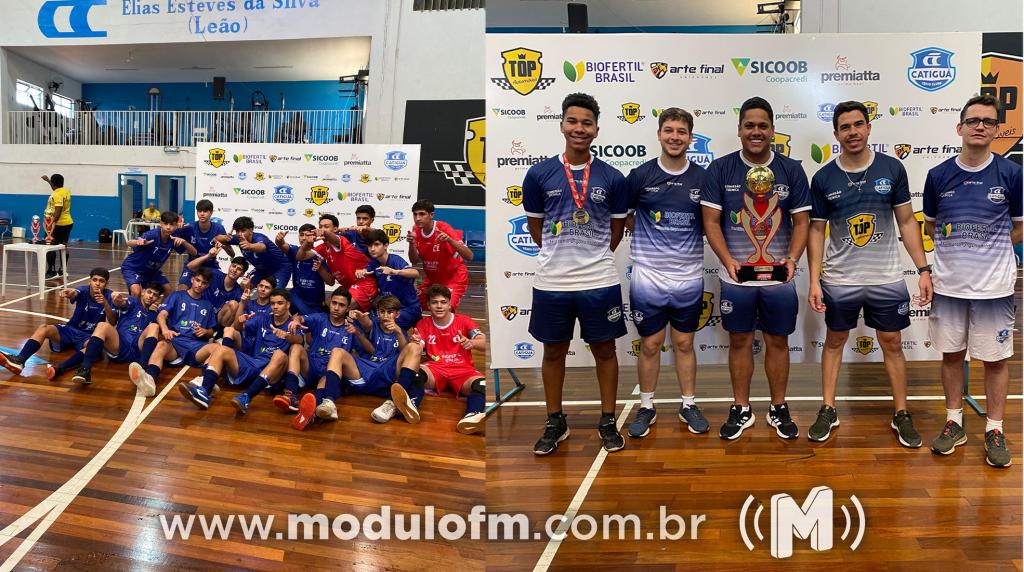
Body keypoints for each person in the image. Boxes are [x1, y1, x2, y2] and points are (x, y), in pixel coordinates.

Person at [806, 100, 932, 447]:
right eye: (845, 127)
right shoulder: (823, 177)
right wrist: (814, 280)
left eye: (858, 124)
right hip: (839, 279)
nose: (853, 132)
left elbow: (907, 221)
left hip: (886, 277)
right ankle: (828, 408)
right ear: (836, 134)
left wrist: (922, 268)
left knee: (892, 343)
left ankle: (901, 413)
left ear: (869, 127)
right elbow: (816, 231)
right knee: (834, 341)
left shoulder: (892, 169)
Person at [522, 92, 629, 455]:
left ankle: (608, 420)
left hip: (599, 280)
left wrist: (592, 256)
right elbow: (536, 230)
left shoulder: (612, 177)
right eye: (573, 121)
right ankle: (555, 421)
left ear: (597, 130)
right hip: (552, 281)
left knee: (605, 350)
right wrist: (561, 254)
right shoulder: (539, 174)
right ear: (562, 125)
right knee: (553, 352)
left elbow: (615, 234)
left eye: (586, 123)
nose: (579, 128)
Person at [700, 96, 810, 441]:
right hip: (736, 277)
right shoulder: (720, 169)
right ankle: (742, 408)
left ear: (773, 130)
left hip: (779, 277)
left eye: (763, 125)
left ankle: (778, 407)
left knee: (778, 341)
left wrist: (791, 258)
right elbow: (711, 221)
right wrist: (727, 260)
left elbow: (802, 221)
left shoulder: (791, 170)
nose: (756, 131)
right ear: (739, 130)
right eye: (750, 125)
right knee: (740, 340)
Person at [923, 94, 1022, 468]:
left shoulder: (1012, 174)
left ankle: (995, 428)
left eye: (989, 121)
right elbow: (931, 226)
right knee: (951, 355)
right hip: (948, 286)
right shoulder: (938, 175)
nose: (981, 126)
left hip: (994, 289)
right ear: (960, 127)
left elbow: (1018, 228)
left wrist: (987, 247)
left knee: (995, 361)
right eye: (974, 120)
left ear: (996, 130)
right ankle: (954, 423)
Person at [622, 107, 710, 439]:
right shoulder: (641, 175)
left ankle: (688, 404)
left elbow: (711, 222)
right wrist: (647, 232)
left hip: (688, 277)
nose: (675, 137)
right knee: (650, 343)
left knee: (685, 343)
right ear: (659, 134)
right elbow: (624, 217)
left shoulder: (703, 178)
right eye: (669, 130)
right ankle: (646, 406)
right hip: (648, 277)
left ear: (690, 137)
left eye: (682, 132)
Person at [291, 295, 419, 431]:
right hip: (364, 370)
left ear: (397, 314)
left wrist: (398, 331)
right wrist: (359, 318)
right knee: (337, 351)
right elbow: (366, 324)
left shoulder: (402, 331)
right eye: (382, 311)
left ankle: (392, 403)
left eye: (390, 312)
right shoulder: (372, 324)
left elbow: (405, 353)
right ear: (377, 312)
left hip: (387, 372)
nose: (386, 315)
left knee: (414, 348)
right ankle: (329, 402)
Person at [387, 284, 487, 435]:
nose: (439, 306)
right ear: (428, 305)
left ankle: (472, 416)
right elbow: (417, 349)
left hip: (462, 369)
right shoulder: (423, 324)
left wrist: (471, 342)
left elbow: (484, 342)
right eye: (434, 302)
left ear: (449, 303)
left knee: (482, 384)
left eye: (443, 302)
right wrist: (416, 342)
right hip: (435, 368)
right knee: (416, 373)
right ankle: (411, 404)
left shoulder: (465, 321)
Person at [179, 288, 300, 412]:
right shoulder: (263, 318)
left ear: (288, 304)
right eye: (273, 303)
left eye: (280, 303)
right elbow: (237, 328)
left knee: (279, 354)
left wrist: (286, 335)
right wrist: (240, 321)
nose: (275, 306)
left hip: (274, 371)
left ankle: (246, 397)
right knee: (221, 349)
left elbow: (299, 341)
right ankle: (205, 391)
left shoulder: (293, 324)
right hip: (253, 363)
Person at [0, 268, 112, 378]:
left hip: (89, 337)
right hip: (71, 330)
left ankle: (61, 368)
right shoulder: (83, 290)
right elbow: (75, 293)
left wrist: (105, 304)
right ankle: (20, 360)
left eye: (101, 281)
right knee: (44, 327)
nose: (97, 283)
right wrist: (70, 292)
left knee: (93, 348)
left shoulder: (109, 296)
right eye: (94, 280)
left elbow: (113, 321)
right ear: (90, 281)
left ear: (106, 284)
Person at [128, 268, 220, 396]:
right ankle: (149, 379)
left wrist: (205, 331)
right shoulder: (177, 296)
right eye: (197, 280)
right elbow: (161, 315)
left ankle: (204, 381)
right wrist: (165, 329)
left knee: (218, 348)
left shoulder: (208, 305)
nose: (199, 284)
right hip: (176, 342)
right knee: (161, 345)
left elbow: (211, 331)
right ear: (192, 279)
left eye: (203, 283)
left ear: (207, 285)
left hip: (196, 346)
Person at [59, 283, 162, 386]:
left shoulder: (155, 314)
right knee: (102, 325)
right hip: (120, 344)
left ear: (157, 298)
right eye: (149, 292)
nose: (151, 296)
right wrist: (119, 300)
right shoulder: (134, 301)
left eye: (155, 295)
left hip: (138, 348)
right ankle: (85, 370)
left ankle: (141, 369)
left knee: (154, 327)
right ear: (143, 292)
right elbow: (123, 303)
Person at [279, 288, 356, 415]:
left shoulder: (352, 328)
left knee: (325, 382)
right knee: (296, 347)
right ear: (329, 303)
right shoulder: (320, 318)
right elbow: (300, 318)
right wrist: (296, 321)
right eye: (334, 303)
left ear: (348, 308)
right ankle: (290, 394)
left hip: (329, 373)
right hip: (311, 367)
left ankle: (312, 411)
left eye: (341, 305)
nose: (336, 308)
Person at [296, 214, 378, 311]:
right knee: (327, 305)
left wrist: (324, 233)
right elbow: (301, 257)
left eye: (326, 227)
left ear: (335, 229)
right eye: (321, 227)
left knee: (340, 307)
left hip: (364, 282)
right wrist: (306, 244)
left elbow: (333, 238)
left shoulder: (340, 241)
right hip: (348, 286)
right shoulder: (322, 248)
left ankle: (372, 308)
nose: (322, 229)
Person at [407, 199, 473, 311]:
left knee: (444, 308)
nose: (418, 218)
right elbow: (414, 260)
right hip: (433, 279)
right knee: (411, 303)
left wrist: (450, 241)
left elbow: (470, 256)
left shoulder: (444, 228)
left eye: (422, 214)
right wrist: (412, 244)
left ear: (431, 215)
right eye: (415, 214)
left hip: (454, 277)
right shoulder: (416, 229)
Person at [121, 210, 197, 298]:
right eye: (165, 224)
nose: (168, 227)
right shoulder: (152, 235)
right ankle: (134, 310)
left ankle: (160, 310)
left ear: (176, 226)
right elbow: (129, 243)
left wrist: (184, 242)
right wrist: (138, 241)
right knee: (136, 292)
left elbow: (194, 252)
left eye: (171, 224)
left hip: (152, 271)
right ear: (160, 223)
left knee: (168, 290)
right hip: (133, 268)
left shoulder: (174, 237)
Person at [357, 229, 421, 331]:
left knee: (383, 325)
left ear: (386, 245)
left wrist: (395, 272)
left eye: (376, 245)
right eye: (369, 246)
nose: (372, 249)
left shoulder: (395, 260)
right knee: (364, 322)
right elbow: (366, 269)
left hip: (408, 308)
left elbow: (415, 273)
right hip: (390, 309)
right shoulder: (374, 262)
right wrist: (361, 271)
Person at [216, 216, 292, 290]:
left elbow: (262, 247)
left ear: (251, 230)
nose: (239, 234)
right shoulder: (238, 238)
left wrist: (250, 245)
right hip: (261, 270)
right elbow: (217, 238)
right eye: (237, 231)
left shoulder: (259, 238)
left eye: (243, 231)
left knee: (274, 294)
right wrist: (225, 237)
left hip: (280, 269)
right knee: (243, 286)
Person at [275, 225, 335, 316]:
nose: (304, 238)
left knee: (311, 326)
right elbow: (282, 244)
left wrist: (320, 269)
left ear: (314, 236)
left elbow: (331, 282)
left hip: (315, 302)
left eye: (307, 235)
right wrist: (279, 240)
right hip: (296, 298)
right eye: (301, 235)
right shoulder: (295, 250)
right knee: (278, 311)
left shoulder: (321, 252)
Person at [174, 199, 233, 291]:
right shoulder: (189, 227)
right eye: (199, 211)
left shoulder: (219, 228)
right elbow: (178, 248)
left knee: (222, 288)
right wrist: (176, 229)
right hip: (193, 265)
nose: (202, 214)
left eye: (205, 211)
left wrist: (224, 246)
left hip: (211, 265)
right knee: (182, 288)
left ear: (211, 213)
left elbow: (232, 254)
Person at [187, 244, 249, 327]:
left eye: (239, 269)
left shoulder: (238, 292)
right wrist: (208, 256)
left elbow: (240, 317)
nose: (234, 270)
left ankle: (220, 334)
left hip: (218, 320)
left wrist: (247, 289)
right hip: (201, 311)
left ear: (242, 274)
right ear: (229, 266)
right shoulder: (214, 274)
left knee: (234, 304)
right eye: (233, 266)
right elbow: (190, 267)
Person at [42, 173, 73, 280]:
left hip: (57, 224)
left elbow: (58, 209)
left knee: (50, 246)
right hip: (68, 222)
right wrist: (48, 181)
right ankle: (62, 270)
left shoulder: (56, 195)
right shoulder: (65, 191)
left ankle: (51, 271)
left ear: (54, 183)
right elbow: (56, 189)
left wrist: (51, 223)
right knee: (63, 246)